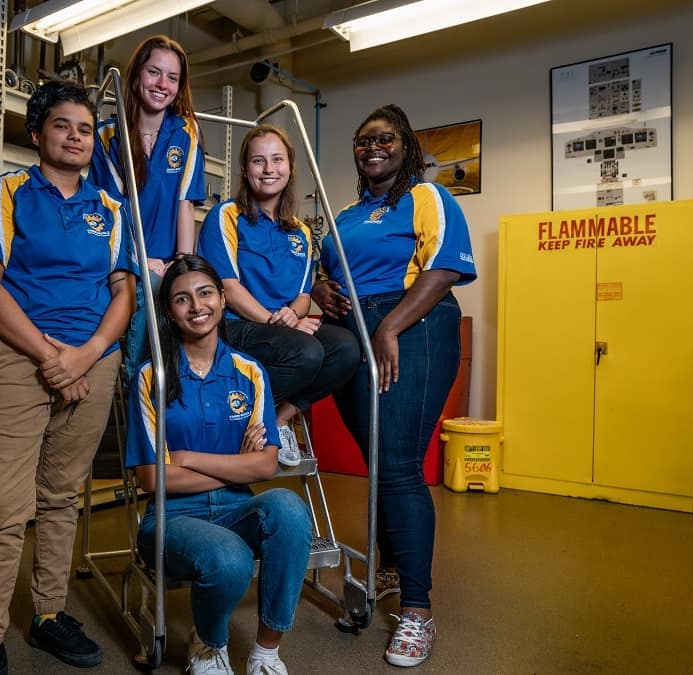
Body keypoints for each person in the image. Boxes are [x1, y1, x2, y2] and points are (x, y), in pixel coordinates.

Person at [0, 80, 136, 675]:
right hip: (18, 357)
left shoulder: (111, 210)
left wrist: (90, 352)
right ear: (37, 133)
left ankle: (49, 615)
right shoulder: (8, 193)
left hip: (93, 363)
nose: (75, 137)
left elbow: (123, 290)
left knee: (60, 499)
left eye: (84, 129)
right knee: (2, 506)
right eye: (62, 126)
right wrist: (52, 357)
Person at [312, 104, 476, 668]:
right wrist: (323, 291)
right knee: (379, 462)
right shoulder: (348, 213)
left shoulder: (428, 198)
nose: (372, 148)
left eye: (385, 139)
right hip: (355, 331)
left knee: (401, 463)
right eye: (363, 141)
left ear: (406, 146)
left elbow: (445, 267)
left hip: (415, 328)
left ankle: (418, 611)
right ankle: (388, 567)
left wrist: (391, 325)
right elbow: (327, 270)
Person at [125, 255, 314, 675]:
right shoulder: (151, 377)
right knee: (229, 557)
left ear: (223, 299)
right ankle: (209, 645)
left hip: (234, 507)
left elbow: (265, 467)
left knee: (289, 509)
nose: (196, 306)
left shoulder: (250, 372)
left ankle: (267, 651)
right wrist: (236, 462)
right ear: (170, 313)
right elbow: (153, 478)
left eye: (205, 293)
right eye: (181, 299)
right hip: (171, 517)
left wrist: (189, 459)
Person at [196, 124, 359, 466]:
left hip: (281, 329)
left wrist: (293, 315)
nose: (269, 169)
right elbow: (226, 286)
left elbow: (302, 294)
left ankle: (277, 420)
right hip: (236, 327)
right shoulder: (226, 215)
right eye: (259, 161)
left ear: (290, 167)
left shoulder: (300, 231)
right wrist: (277, 321)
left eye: (277, 160)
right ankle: (241, 421)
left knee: (346, 348)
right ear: (245, 169)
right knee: (307, 352)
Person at [89, 34, 205, 378]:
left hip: (168, 260)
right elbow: (110, 212)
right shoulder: (107, 135)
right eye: (155, 72)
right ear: (137, 73)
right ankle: (139, 383)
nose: (162, 84)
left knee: (195, 291)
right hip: (125, 260)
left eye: (172, 78)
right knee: (149, 289)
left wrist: (182, 262)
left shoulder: (187, 132)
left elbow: (186, 201)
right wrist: (141, 259)